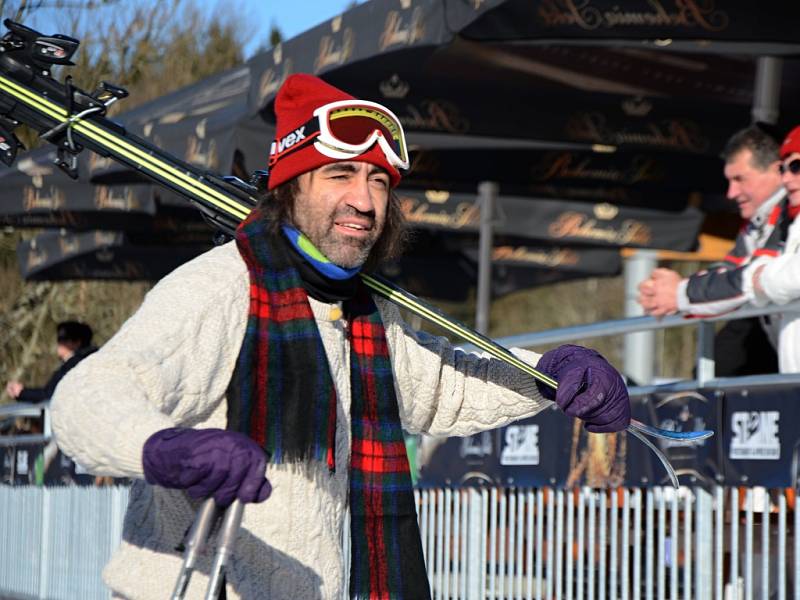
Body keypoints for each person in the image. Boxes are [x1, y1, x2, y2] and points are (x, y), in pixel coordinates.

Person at [50, 74, 630, 600]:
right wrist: (165, 449)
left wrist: (550, 374)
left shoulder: (364, 308)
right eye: (340, 174)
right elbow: (88, 396)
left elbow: (443, 387)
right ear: (290, 187)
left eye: (379, 180)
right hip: (197, 584)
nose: (364, 199)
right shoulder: (223, 286)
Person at [637, 125, 786, 376]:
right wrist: (675, 288)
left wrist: (680, 293)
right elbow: (730, 271)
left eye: (740, 179)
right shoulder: (757, 222)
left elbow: (750, 279)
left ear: (776, 170)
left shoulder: (789, 216)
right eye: (729, 181)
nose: (731, 193)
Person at [742, 125, 800, 372]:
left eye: (796, 167)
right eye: (782, 168)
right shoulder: (793, 222)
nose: (786, 178)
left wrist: (761, 278)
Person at [5, 320, 96, 403]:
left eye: (64, 339)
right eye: (59, 339)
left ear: (77, 342)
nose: (59, 344)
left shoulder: (74, 365)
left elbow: (50, 395)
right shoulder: (81, 363)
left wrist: (22, 392)